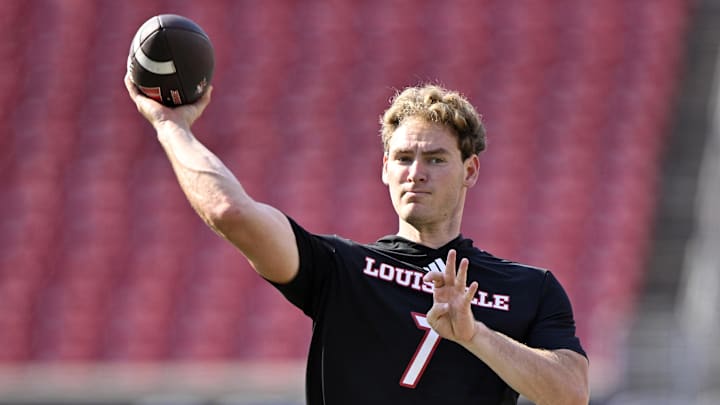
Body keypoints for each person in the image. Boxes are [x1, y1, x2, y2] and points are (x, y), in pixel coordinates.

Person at [125, 74, 589, 405]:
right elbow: (230, 212)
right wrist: (170, 125)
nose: (416, 173)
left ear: (470, 170)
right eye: (403, 157)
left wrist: (475, 336)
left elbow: (571, 394)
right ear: (384, 168)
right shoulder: (342, 269)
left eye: (436, 159)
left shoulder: (529, 288)